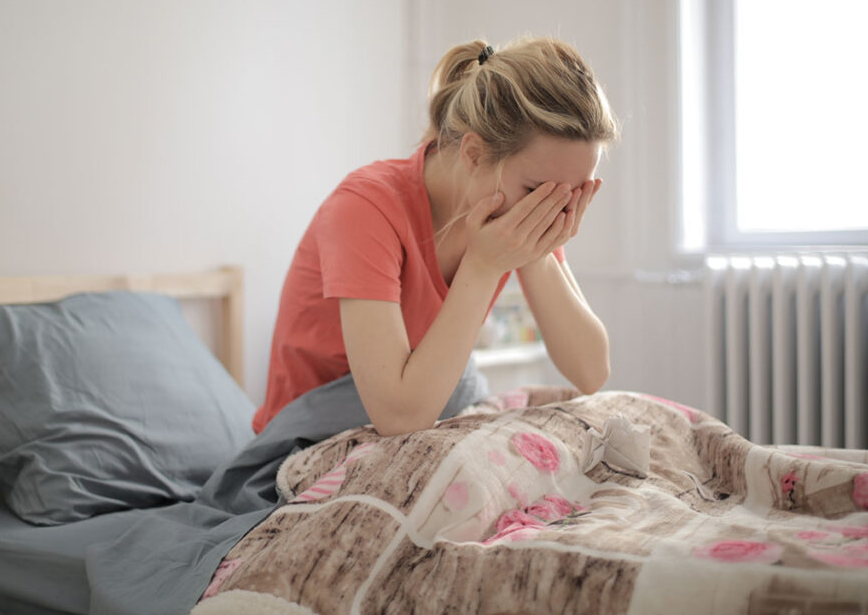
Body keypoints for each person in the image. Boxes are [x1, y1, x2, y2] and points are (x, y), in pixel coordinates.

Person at [251, 36, 619, 437]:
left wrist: (539, 249)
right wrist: (481, 267)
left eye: (574, 194)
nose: (555, 211)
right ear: (474, 155)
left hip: (436, 410)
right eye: (539, 193)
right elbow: (398, 418)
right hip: (312, 435)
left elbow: (591, 372)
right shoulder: (364, 208)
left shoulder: (515, 212)